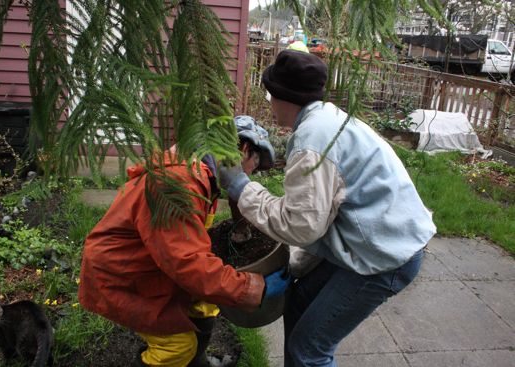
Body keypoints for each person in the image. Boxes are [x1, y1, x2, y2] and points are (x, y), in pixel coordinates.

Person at [219, 50, 437, 366]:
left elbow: (301, 225)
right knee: (300, 301)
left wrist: (240, 187)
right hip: (378, 237)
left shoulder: (312, 141)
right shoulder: (326, 118)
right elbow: (325, 213)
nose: (269, 102)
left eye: (271, 94)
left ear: (285, 97)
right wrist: (296, 264)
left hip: (386, 255)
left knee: (310, 351)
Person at [78, 117, 288, 367]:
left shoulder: (200, 172)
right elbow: (188, 264)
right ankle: (181, 357)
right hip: (122, 277)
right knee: (177, 346)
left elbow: (185, 249)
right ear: (243, 150)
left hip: (151, 263)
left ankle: (197, 362)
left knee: (206, 304)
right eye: (253, 167)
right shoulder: (179, 185)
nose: (251, 176)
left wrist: (238, 200)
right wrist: (254, 288)